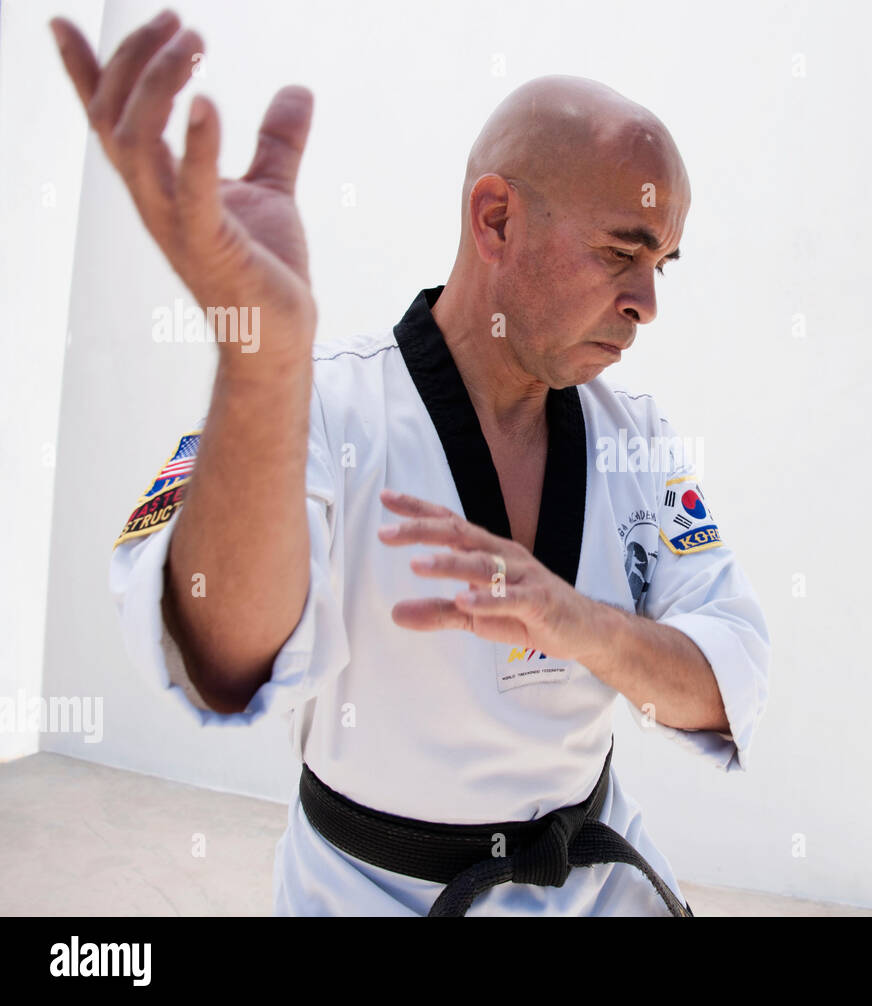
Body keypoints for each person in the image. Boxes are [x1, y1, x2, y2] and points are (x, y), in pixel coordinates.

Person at [52, 8, 771, 916]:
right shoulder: (315, 405)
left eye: (664, 263)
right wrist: (261, 365)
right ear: (496, 218)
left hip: (596, 885)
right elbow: (220, 656)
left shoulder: (641, 438)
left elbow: (725, 680)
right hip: (368, 892)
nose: (647, 303)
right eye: (620, 253)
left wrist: (575, 622)